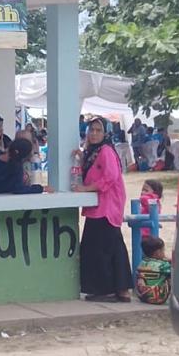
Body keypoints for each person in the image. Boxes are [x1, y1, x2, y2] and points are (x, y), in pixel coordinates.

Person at [74, 116, 132, 302]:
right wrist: (82, 157)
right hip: (101, 206)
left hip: (107, 206)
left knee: (100, 249)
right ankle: (121, 289)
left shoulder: (106, 151)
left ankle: (106, 290)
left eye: (98, 130)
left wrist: (86, 189)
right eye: (91, 130)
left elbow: (109, 177)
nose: (94, 134)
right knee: (113, 247)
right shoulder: (94, 152)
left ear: (106, 133)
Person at [135, 235, 172, 305]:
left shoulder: (142, 263)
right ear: (157, 253)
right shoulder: (163, 266)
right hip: (158, 298)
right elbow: (174, 269)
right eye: (163, 250)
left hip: (143, 296)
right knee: (171, 275)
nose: (164, 252)